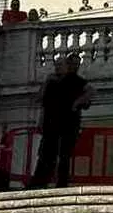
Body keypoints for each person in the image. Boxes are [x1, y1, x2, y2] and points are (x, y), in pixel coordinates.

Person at [30, 53, 96, 188]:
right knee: (46, 154)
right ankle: (39, 182)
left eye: (61, 65)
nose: (58, 68)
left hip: (68, 125)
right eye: (57, 65)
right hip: (51, 124)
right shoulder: (52, 82)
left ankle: (60, 183)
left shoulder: (75, 81)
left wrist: (76, 103)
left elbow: (91, 92)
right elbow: (41, 100)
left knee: (63, 155)